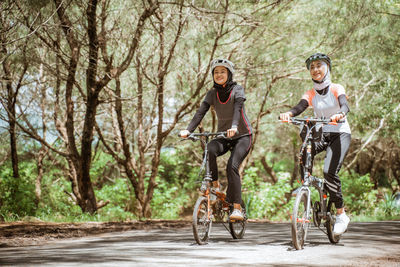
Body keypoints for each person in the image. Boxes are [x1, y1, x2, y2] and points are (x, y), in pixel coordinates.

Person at [279, 53, 351, 236]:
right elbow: (300, 106)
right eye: (312, 67)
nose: (315, 69)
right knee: (305, 148)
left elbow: (344, 105)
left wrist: (340, 114)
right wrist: (289, 113)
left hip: (340, 133)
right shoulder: (310, 93)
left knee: (329, 172)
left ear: (327, 68)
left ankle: (342, 214)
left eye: (319, 65)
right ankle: (305, 182)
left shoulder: (336, 88)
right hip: (323, 133)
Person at [180, 58, 253, 221]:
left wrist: (234, 126)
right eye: (216, 72)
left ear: (229, 74)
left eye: (223, 71)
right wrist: (188, 130)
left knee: (232, 166)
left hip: (242, 135)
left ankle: (237, 208)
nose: (219, 74)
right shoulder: (212, 94)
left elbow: (237, 109)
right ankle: (215, 187)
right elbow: (200, 112)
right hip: (223, 135)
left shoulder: (238, 90)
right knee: (210, 148)